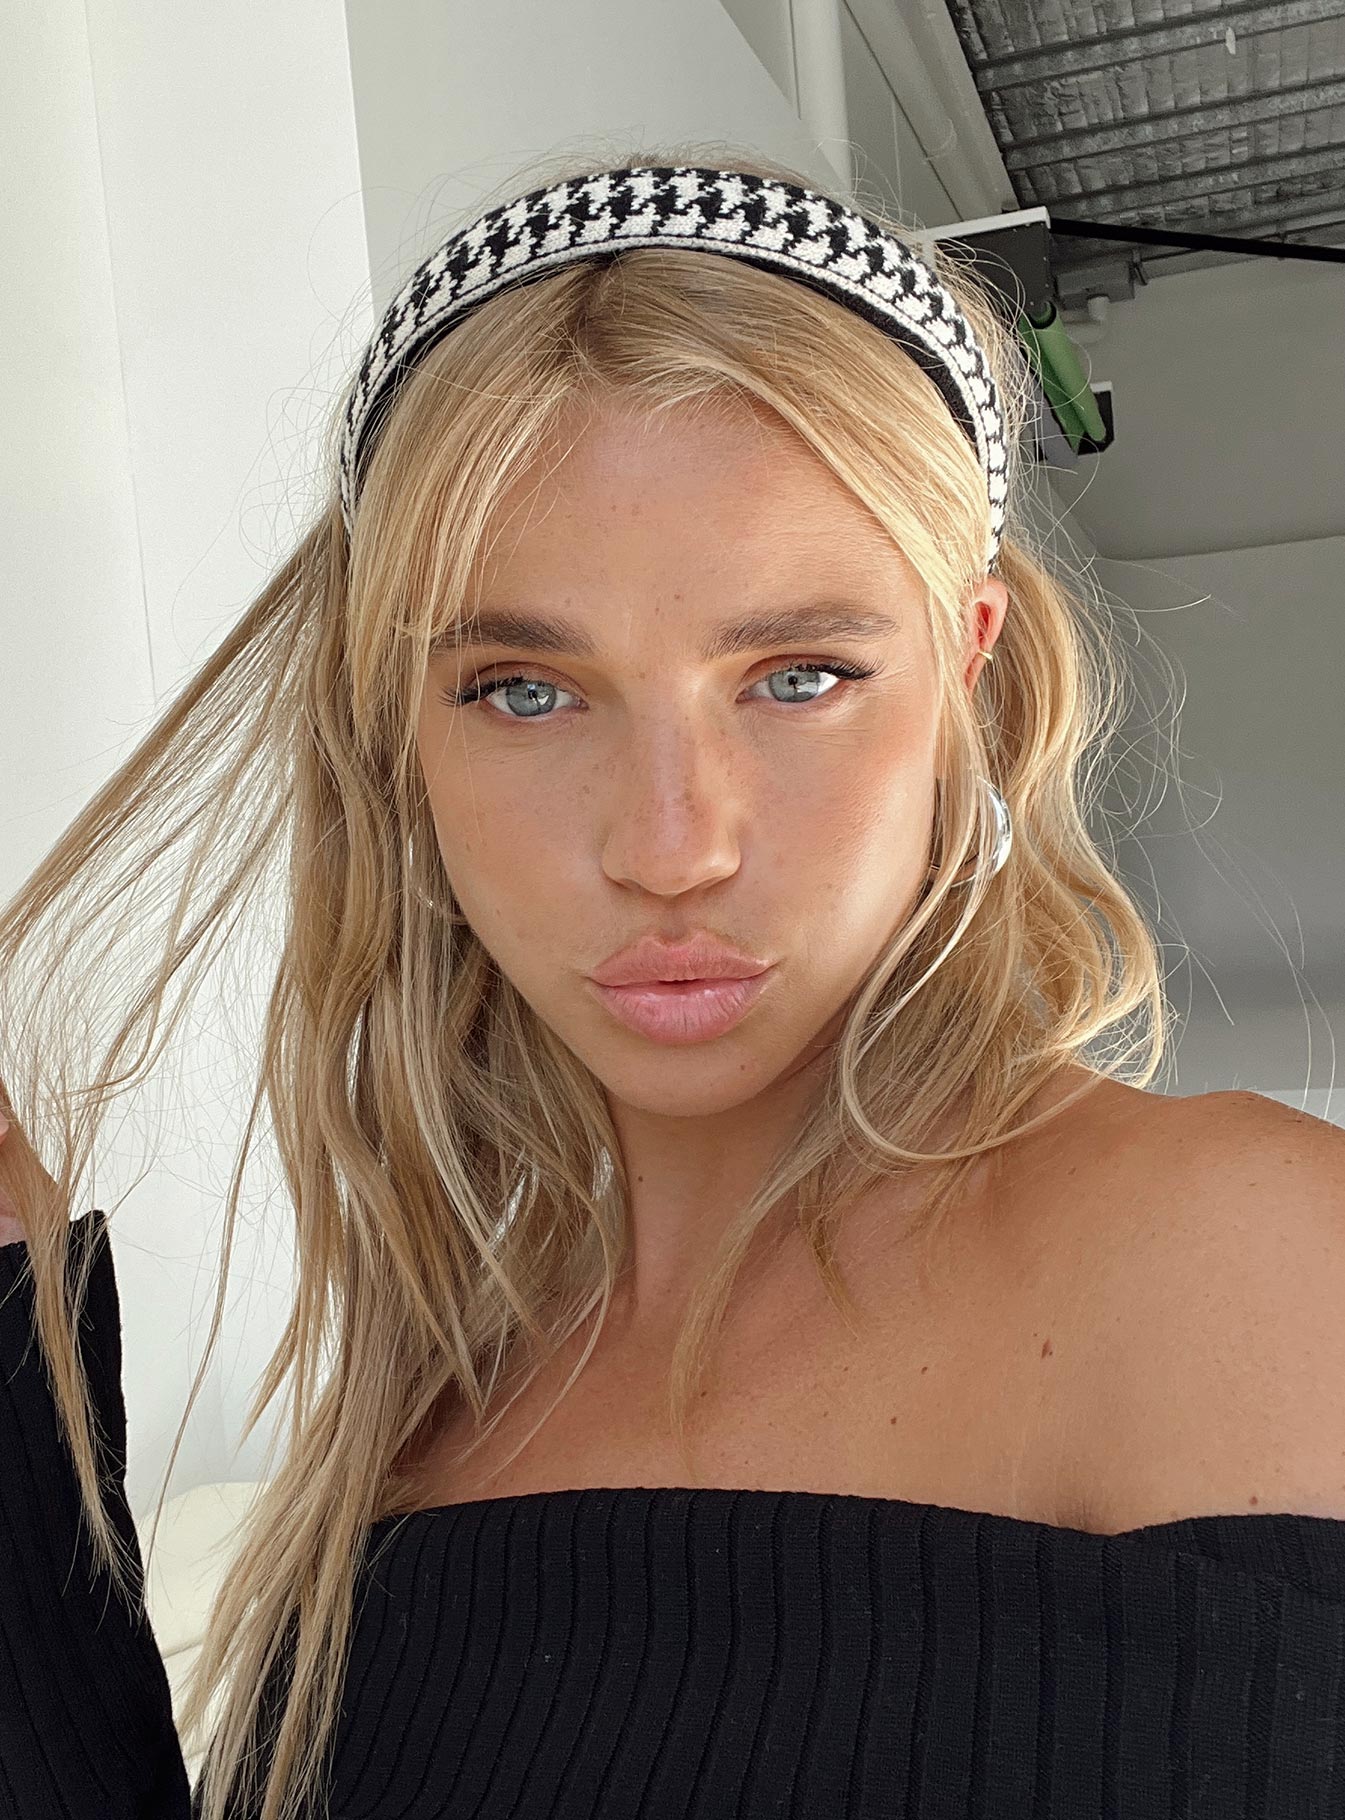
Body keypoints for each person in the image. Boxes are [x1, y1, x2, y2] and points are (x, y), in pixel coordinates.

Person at [2, 147, 1344, 1820]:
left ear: (967, 674)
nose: (669, 847)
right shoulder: (429, 1422)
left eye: (799, 675)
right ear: (396, 730)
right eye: (523, 690)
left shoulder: (1254, 1262)